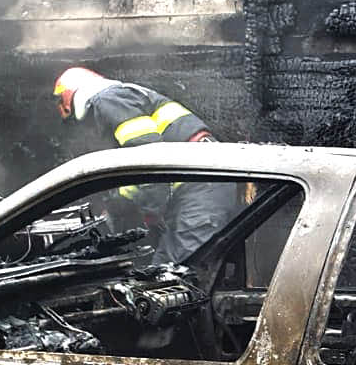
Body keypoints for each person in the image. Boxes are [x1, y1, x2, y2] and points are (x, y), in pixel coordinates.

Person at [51, 67, 237, 263]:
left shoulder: (109, 100)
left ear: (69, 99)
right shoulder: (121, 97)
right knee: (165, 267)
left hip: (201, 184)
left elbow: (148, 159)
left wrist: (127, 205)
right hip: (199, 184)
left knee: (178, 270)